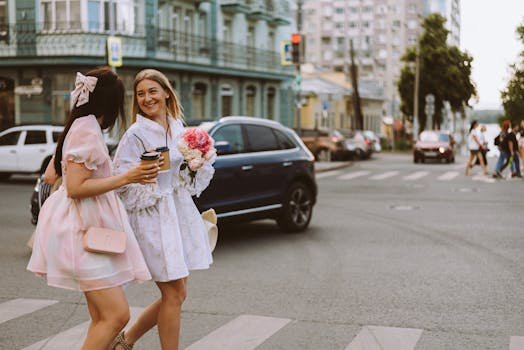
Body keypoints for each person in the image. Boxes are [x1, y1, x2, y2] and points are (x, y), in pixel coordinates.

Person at [27, 67, 158, 349]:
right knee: (116, 315)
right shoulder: (86, 130)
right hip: (79, 232)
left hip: (83, 229)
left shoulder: (81, 125)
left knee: (101, 316)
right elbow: (75, 189)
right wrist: (126, 177)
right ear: (112, 103)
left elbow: (53, 175)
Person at [111, 69, 214, 350]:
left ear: (167, 92)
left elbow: (187, 182)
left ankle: (124, 342)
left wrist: (197, 164)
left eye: (153, 91)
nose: (147, 98)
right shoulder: (135, 134)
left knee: (178, 293)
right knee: (172, 293)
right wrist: (150, 181)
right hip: (152, 218)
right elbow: (122, 184)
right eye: (141, 93)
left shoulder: (178, 127)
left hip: (178, 214)